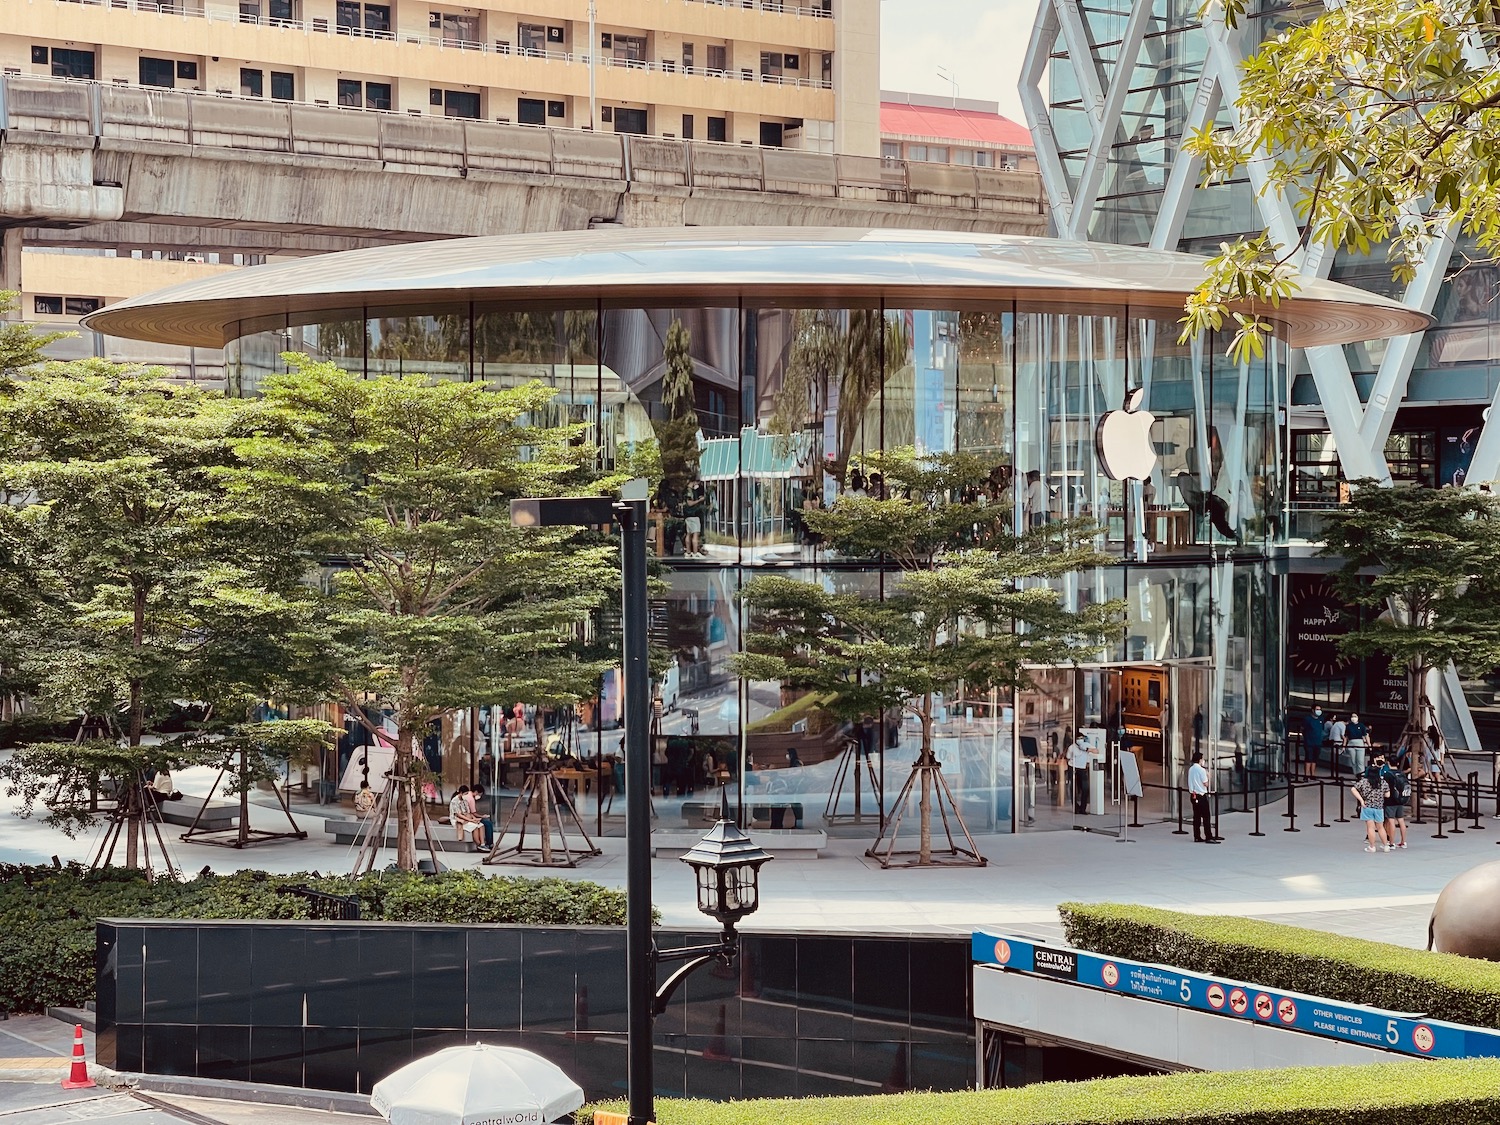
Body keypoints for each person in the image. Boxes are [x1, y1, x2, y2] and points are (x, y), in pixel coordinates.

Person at [1351, 764, 1390, 852]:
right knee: (1380, 827)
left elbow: (1353, 789)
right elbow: (1388, 795)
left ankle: (1372, 847)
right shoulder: (1382, 782)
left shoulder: (1364, 781)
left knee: (1370, 827)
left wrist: (1361, 800)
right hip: (1379, 807)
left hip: (1367, 806)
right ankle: (1386, 846)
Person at [1188, 750, 1217, 842]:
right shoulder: (1201, 770)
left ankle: (1197, 836)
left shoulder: (1191, 769)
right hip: (1201, 795)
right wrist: (1208, 776)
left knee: (1196, 816)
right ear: (1200, 760)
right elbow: (1206, 784)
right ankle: (1208, 836)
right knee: (1206, 816)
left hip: (1193, 795)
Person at [1382, 756, 1410, 849]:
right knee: (1401, 820)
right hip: (1400, 800)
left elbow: (1385, 788)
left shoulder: (1387, 774)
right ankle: (1403, 841)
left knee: (1391, 821)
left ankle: (1391, 843)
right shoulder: (1401, 773)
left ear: (1388, 763)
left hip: (1390, 800)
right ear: (1397, 763)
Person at [1066, 732, 1092, 814]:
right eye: (1079, 738)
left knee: (1085, 788)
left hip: (1082, 769)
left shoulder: (1086, 745)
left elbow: (1096, 751)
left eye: (1081, 738)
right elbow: (1068, 757)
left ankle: (1083, 808)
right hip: (1073, 767)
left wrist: (1087, 749)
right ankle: (1076, 807)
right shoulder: (1071, 747)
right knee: (1073, 788)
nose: (1080, 740)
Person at [682, 480, 708, 557]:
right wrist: (699, 500)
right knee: (695, 534)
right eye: (697, 483)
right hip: (693, 514)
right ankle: (695, 552)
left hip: (688, 515)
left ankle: (688, 552)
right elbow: (689, 503)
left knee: (689, 533)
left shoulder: (686, 491)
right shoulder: (689, 491)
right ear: (693, 482)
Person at [1300, 705, 1325, 778]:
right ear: (1313, 710)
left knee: (1315, 759)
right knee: (1308, 758)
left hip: (1318, 742)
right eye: (1317, 709)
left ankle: (1312, 774)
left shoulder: (1321, 719)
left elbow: (1321, 729)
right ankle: (1306, 775)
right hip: (1309, 742)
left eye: (1320, 709)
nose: (1319, 711)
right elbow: (1302, 729)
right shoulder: (1307, 719)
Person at [468, 783, 494, 848]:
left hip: (471, 816)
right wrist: (482, 816)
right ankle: (489, 843)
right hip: (470, 817)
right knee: (487, 823)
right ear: (476, 792)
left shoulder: (469, 796)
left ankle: (490, 843)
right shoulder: (471, 798)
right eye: (480, 794)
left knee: (488, 823)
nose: (479, 796)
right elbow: (473, 813)